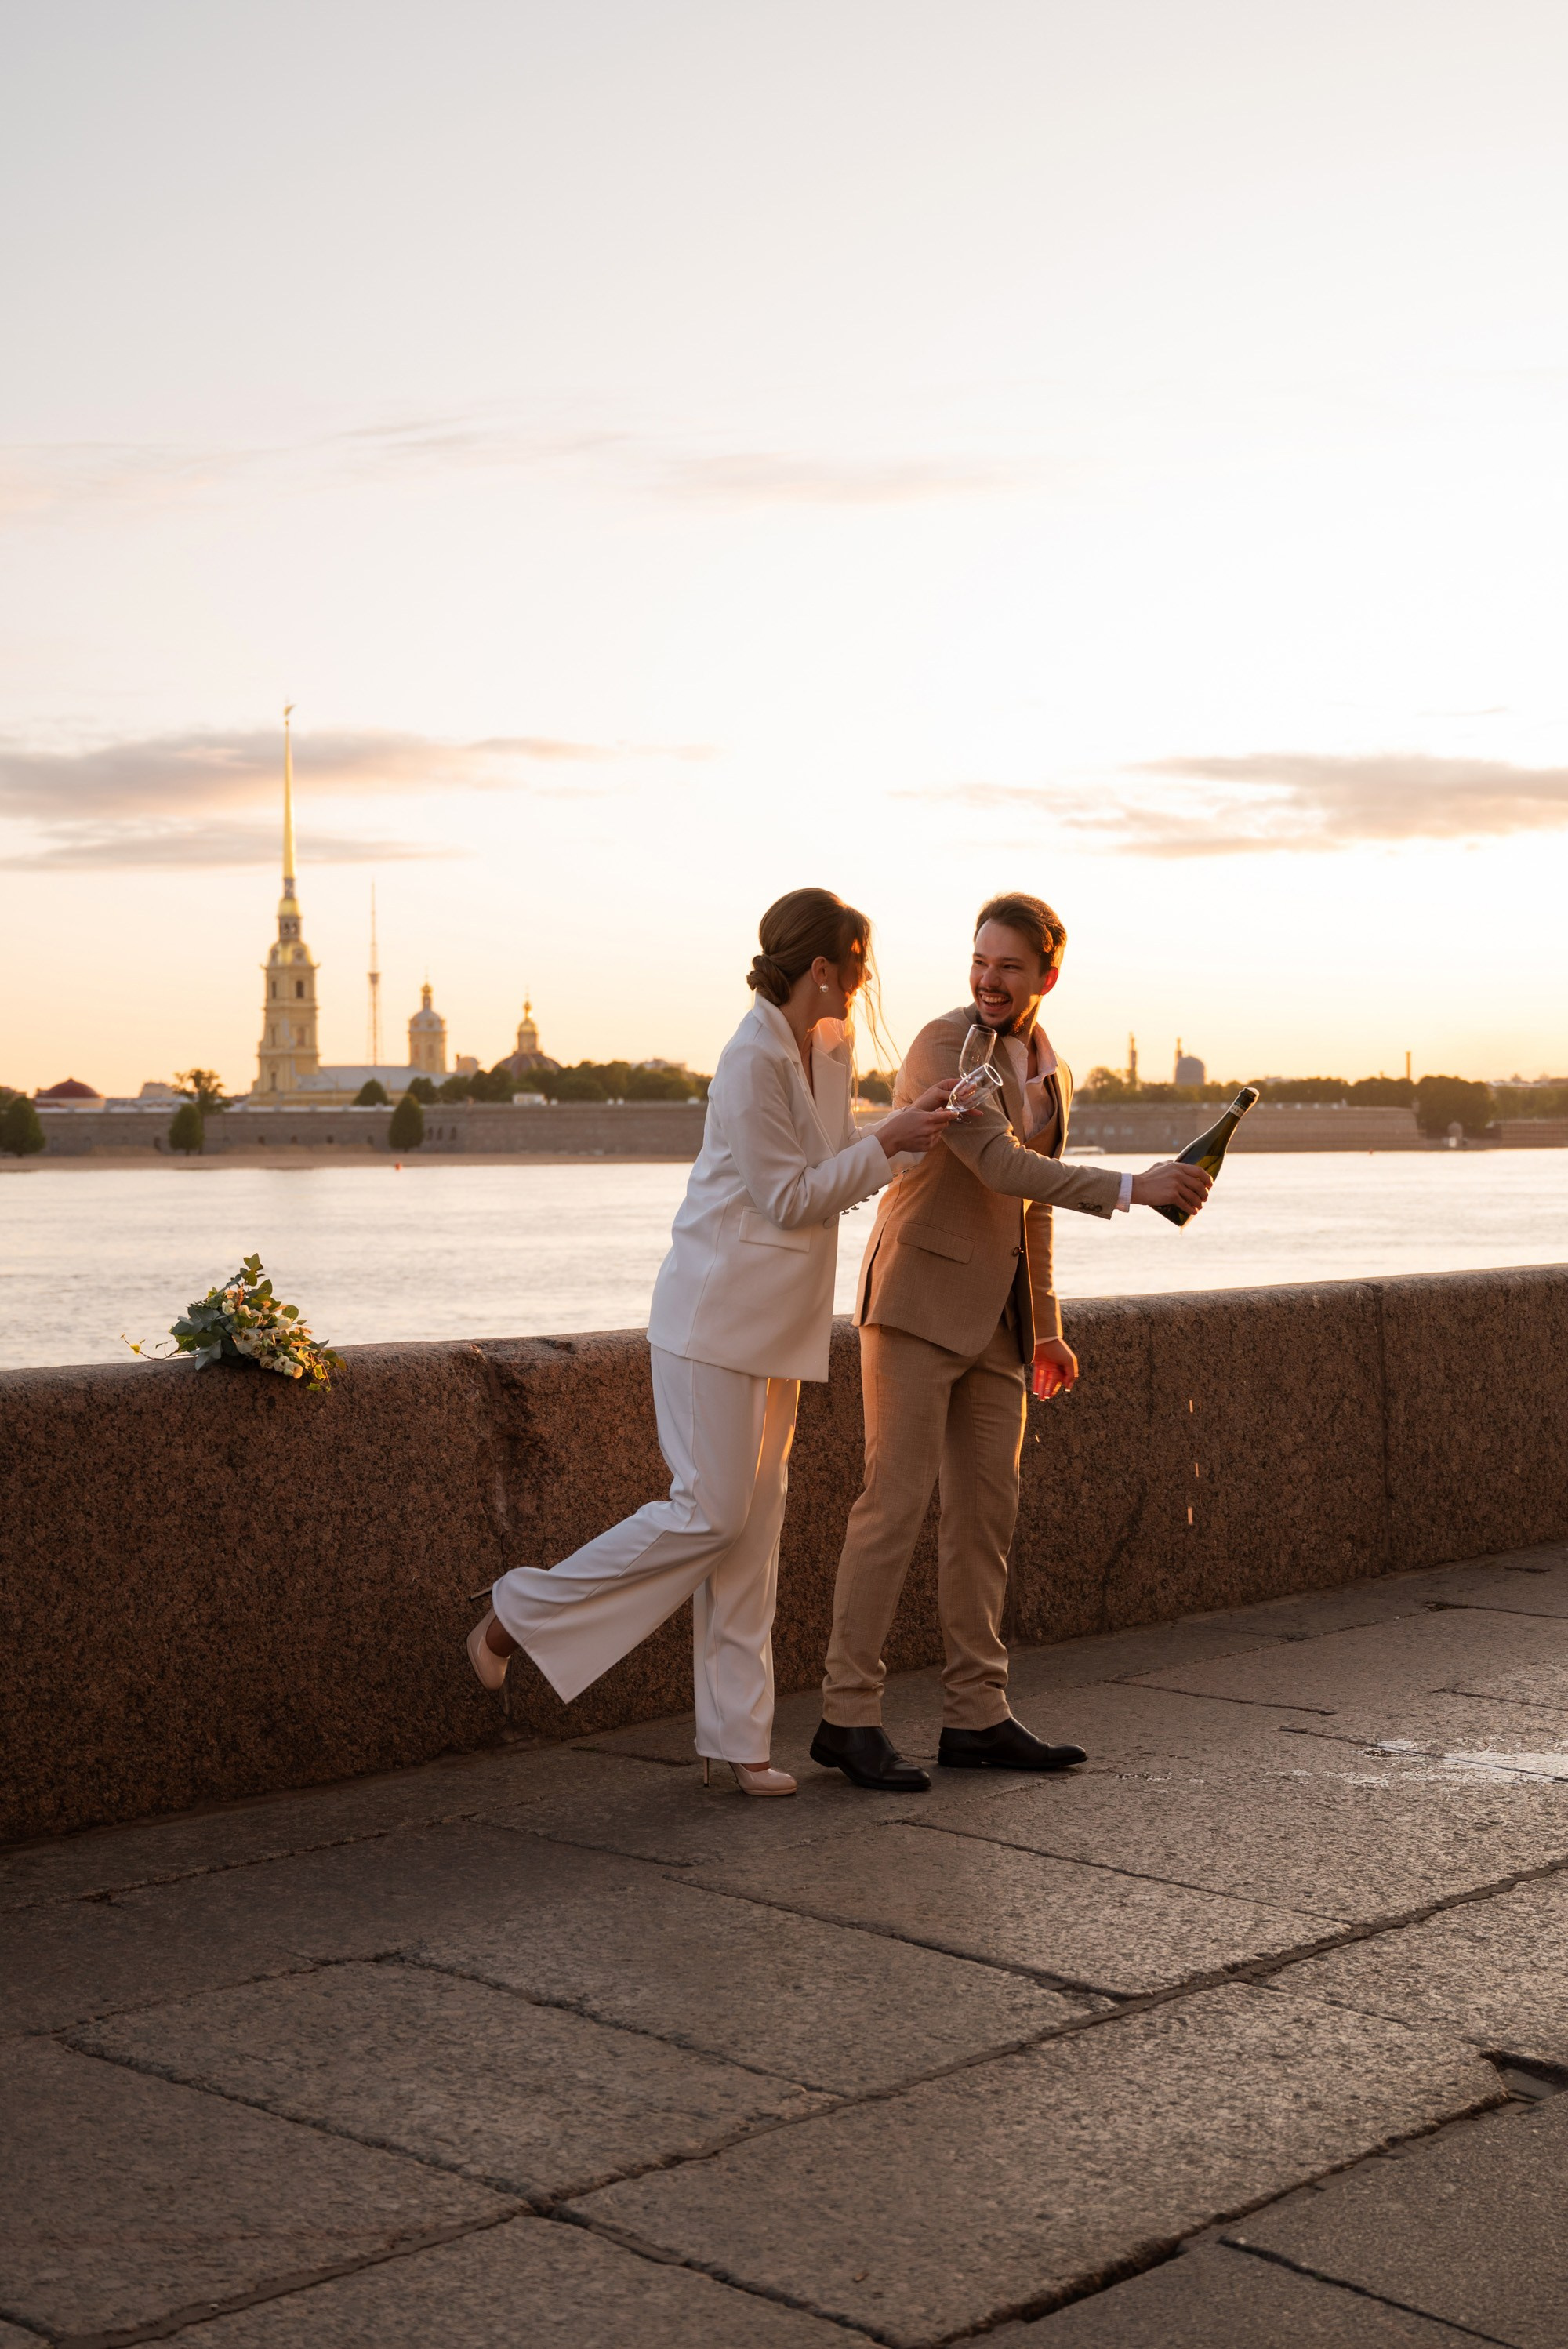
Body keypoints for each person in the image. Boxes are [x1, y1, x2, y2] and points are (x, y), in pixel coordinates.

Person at [466, 888, 956, 1796]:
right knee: (711, 1514)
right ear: (824, 966)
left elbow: (835, 1152)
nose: (865, 983)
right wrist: (886, 1141)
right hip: (711, 1316)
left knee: (751, 1532)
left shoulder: (823, 1048)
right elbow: (786, 1195)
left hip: (777, 1322)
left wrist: (916, 1128)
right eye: (858, 967)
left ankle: (738, 1741)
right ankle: (515, 1610)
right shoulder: (748, 1057)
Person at [811, 891, 1212, 1792]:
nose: (987, 980)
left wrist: (1048, 1324)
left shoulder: (1049, 1065)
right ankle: (847, 1715)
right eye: (979, 960)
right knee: (893, 1505)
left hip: (998, 1321)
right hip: (915, 1302)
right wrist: (1135, 1186)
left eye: (1009, 967)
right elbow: (996, 1163)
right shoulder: (940, 1045)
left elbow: (1027, 1212)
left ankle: (976, 1715)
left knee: (985, 1517)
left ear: (1046, 976)